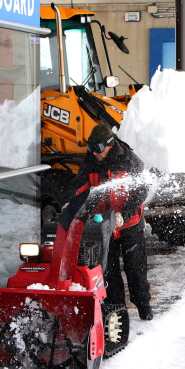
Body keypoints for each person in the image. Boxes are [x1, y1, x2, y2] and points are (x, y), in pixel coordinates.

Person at [65, 123, 154, 320]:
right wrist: (70, 202)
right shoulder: (91, 161)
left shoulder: (129, 160)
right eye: (91, 148)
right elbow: (80, 185)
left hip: (129, 224)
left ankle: (144, 309)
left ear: (110, 144)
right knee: (109, 272)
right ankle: (117, 312)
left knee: (136, 269)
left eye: (97, 148)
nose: (94, 153)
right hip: (103, 226)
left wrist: (124, 213)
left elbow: (141, 191)